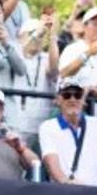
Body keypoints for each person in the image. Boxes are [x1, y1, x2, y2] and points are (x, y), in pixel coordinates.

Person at [15, 15, 60, 145]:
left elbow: (53, 70)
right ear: (20, 37)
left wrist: (52, 36)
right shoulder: (15, 54)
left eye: (41, 35)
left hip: (41, 126)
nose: (38, 38)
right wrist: (39, 31)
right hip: (17, 125)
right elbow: (23, 49)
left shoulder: (46, 57)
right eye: (31, 33)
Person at [57, 7, 97, 99]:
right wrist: (88, 53)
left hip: (94, 109)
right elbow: (63, 73)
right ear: (85, 26)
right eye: (96, 24)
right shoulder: (73, 49)